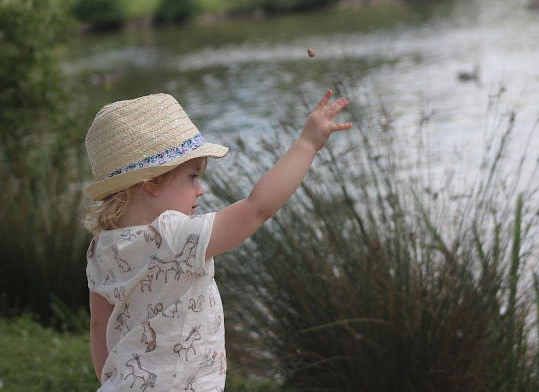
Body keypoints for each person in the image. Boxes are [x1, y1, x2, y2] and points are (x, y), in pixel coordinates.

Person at [83, 91, 351, 391]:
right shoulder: (174, 235)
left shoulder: (100, 248)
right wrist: (307, 144)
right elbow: (256, 208)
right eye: (192, 177)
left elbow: (99, 325)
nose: (200, 189)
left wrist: (112, 382)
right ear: (153, 182)